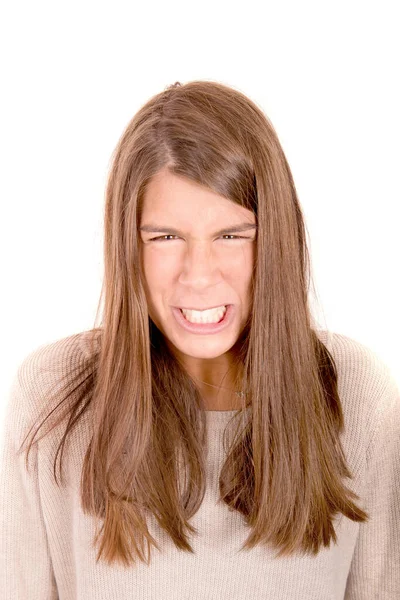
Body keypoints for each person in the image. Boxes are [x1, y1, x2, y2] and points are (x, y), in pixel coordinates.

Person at [1, 80, 399, 599]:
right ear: (129, 245)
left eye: (232, 235)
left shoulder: (357, 392)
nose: (199, 275)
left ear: (274, 239)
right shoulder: (53, 394)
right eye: (166, 237)